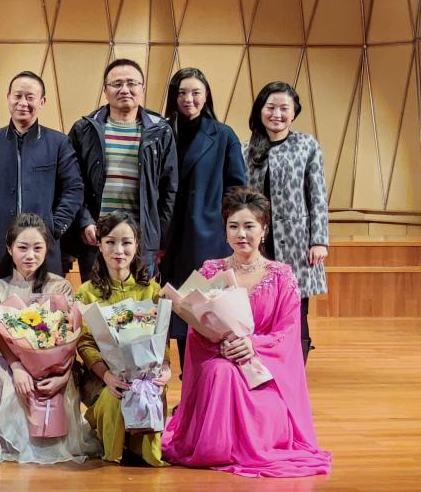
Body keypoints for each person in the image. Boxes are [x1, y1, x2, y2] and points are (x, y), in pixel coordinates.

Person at [162, 187, 332, 477]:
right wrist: (221, 347)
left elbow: (288, 334)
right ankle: (214, 448)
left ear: (264, 230)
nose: (241, 234)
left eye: (249, 226)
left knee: (230, 377)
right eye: (233, 226)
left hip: (263, 372)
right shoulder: (210, 270)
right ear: (225, 231)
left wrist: (252, 345)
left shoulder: (282, 275)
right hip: (219, 362)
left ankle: (230, 446)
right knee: (220, 371)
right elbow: (195, 331)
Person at [0, 213, 98, 465]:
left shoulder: (60, 286)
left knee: (59, 380)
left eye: (37, 248)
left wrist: (62, 375)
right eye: (22, 248)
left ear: (47, 249)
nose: (30, 255)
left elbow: (68, 337)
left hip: (52, 366)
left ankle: (44, 438)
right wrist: (17, 367)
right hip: (8, 362)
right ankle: (0, 441)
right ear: (10, 249)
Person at [159, 68, 246, 372]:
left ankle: (203, 381)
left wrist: (222, 224)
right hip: (168, 237)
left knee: (206, 312)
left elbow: (237, 189)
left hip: (206, 237)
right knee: (177, 312)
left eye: (196, 92)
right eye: (182, 93)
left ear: (206, 95)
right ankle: (183, 382)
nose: (189, 99)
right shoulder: (161, 131)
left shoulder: (223, 135)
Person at [0, 71, 83, 281]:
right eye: (17, 96)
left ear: (42, 101)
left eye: (30, 97)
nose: (22, 103)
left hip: (43, 248)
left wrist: (54, 227)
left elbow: (74, 189)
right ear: (8, 97)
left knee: (44, 303)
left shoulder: (58, 143)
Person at [74, 211, 170, 467]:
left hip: (146, 377)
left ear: (136, 245)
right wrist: (107, 375)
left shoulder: (151, 289)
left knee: (151, 391)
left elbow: (161, 337)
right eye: (110, 242)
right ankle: (113, 450)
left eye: (126, 242)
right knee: (116, 396)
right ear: (99, 244)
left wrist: (166, 368)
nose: (119, 250)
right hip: (103, 379)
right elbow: (85, 343)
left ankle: (144, 450)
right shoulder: (86, 292)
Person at [67, 58, 177, 280]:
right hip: (96, 239)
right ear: (105, 90)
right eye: (117, 84)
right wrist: (84, 222)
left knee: (142, 300)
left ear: (142, 88)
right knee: (95, 299)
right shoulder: (84, 130)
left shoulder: (160, 131)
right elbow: (72, 184)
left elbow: (169, 190)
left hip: (141, 242)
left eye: (131, 83)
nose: (124, 89)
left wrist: (157, 236)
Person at [243, 82, 329, 362]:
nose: (277, 114)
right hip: (259, 243)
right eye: (271, 107)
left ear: (294, 113)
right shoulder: (247, 150)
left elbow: (317, 196)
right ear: (260, 110)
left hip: (297, 242)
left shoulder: (306, 145)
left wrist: (319, 240)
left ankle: (295, 368)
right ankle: (264, 365)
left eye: (284, 108)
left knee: (295, 308)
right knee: (260, 305)